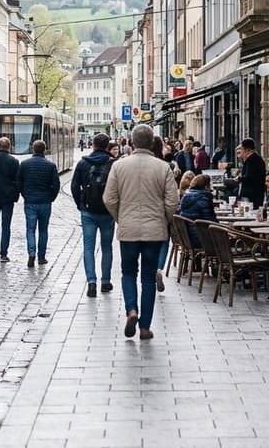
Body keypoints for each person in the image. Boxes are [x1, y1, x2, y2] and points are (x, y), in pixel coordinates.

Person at [102, 124, 178, 341]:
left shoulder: (119, 166)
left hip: (129, 230)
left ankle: (131, 310)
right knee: (148, 278)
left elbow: (109, 198)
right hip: (154, 231)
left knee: (128, 273)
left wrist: (121, 217)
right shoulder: (163, 167)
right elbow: (172, 201)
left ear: (132, 142)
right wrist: (163, 218)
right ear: (152, 142)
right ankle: (145, 327)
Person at [71, 133, 116, 297]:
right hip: (107, 212)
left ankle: (91, 282)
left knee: (88, 248)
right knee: (107, 247)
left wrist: (81, 204)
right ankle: (106, 281)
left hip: (88, 212)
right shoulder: (113, 163)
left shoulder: (83, 163)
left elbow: (74, 186)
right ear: (107, 146)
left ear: (93, 145)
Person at [17, 139, 60, 268]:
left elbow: (19, 182)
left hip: (30, 201)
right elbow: (56, 185)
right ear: (44, 150)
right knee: (43, 230)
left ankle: (31, 252)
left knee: (30, 229)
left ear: (33, 149)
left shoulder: (24, 164)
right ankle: (41, 257)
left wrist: (24, 194)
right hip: (45, 201)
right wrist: (51, 197)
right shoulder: (51, 165)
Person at [176, 174, 212, 246]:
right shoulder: (203, 199)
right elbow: (212, 222)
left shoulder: (185, 197)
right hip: (200, 239)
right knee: (226, 240)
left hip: (188, 238)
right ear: (206, 186)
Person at [235, 138, 266, 206]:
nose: (241, 152)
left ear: (247, 150)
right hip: (254, 194)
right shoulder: (254, 159)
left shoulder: (252, 160)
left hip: (252, 195)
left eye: (241, 149)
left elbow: (250, 177)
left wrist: (239, 178)